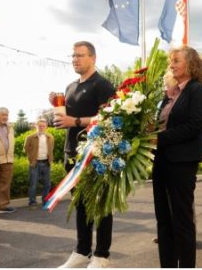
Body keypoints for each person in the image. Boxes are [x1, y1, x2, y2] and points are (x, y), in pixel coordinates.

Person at [57, 41, 117, 268]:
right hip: (71, 154)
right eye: (72, 55)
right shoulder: (70, 87)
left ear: (93, 58)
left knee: (101, 206)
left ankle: (102, 255)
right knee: (80, 205)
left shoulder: (102, 85)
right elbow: (68, 118)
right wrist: (59, 113)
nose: (75, 59)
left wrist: (77, 121)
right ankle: (82, 250)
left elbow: (111, 118)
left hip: (96, 155)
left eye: (80, 55)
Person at [152, 46, 202, 268]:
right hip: (162, 162)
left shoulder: (198, 90)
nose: (172, 65)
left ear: (191, 64)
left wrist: (159, 139)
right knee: (163, 221)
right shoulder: (170, 95)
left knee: (182, 221)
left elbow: (194, 126)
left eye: (177, 60)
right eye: (171, 61)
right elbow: (160, 125)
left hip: (182, 163)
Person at [24, 118, 54, 207]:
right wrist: (32, 158)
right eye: (39, 126)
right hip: (35, 163)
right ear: (36, 126)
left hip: (46, 163)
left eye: (43, 126)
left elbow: (51, 148)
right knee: (33, 184)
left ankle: (45, 201)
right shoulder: (30, 137)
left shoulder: (50, 137)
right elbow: (26, 149)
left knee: (47, 184)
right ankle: (32, 202)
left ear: (46, 127)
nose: (41, 127)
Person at [0, 108, 15, 214]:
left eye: (7, 115)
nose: (5, 117)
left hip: (8, 160)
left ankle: (3, 207)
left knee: (5, 184)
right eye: (3, 115)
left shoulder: (10, 127)